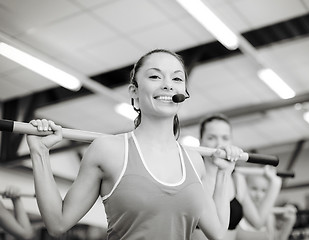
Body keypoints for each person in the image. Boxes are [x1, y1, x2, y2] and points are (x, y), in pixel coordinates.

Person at [26, 49, 243, 240]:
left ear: (183, 94)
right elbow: (57, 224)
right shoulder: (109, 150)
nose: (167, 85)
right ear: (134, 92)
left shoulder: (194, 161)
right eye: (155, 76)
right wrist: (40, 153)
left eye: (177, 79)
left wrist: (224, 173)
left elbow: (217, 232)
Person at [191, 114, 282, 240]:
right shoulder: (192, 175)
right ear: (200, 140)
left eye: (225, 138)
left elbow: (258, 222)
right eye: (211, 138)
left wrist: (275, 184)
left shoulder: (237, 180)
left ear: (231, 141)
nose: (219, 144)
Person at [236, 173, 297, 240]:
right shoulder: (237, 211)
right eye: (254, 188)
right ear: (245, 187)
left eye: (264, 190)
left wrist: (289, 221)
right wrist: (280, 210)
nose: (258, 195)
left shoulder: (269, 216)